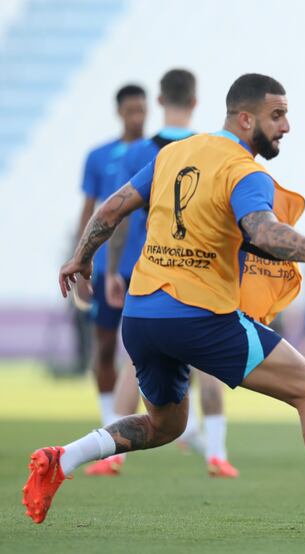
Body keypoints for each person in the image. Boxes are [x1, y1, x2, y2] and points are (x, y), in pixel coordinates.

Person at [24, 73, 305, 540]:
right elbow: (264, 233)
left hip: (142, 317)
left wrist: (80, 258)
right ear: (246, 119)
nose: (286, 126)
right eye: (277, 115)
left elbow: (109, 210)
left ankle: (62, 459)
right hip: (198, 316)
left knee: (166, 424)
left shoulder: (172, 155)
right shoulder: (245, 172)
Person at [84, 69, 239, 479]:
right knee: (207, 364)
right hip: (199, 272)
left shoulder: (138, 152)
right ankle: (218, 454)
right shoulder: (209, 148)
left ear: (159, 100)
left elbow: (118, 211)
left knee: (135, 364)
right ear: (195, 102)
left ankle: (113, 455)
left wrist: (114, 270)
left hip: (146, 271)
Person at [74, 84, 146, 427]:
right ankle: (108, 421)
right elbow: (89, 211)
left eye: (142, 110)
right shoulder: (99, 157)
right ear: (119, 112)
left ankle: (179, 425)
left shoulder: (159, 153)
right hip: (106, 266)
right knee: (104, 346)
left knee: (162, 345)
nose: (138, 117)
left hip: (150, 264)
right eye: (132, 110)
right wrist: (80, 260)